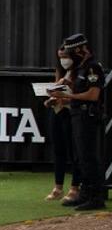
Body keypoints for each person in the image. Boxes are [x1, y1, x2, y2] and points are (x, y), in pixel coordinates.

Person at [49, 33, 106, 210]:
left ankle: (96, 197)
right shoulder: (79, 68)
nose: (68, 57)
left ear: (80, 50)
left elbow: (93, 95)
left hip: (87, 115)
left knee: (89, 157)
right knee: (81, 157)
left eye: (71, 52)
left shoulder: (92, 68)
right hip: (77, 114)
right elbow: (77, 94)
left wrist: (68, 95)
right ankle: (85, 193)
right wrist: (60, 98)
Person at [43, 47, 82, 203]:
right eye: (60, 57)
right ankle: (58, 187)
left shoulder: (80, 72)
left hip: (71, 113)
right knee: (58, 149)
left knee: (74, 151)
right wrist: (50, 101)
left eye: (65, 56)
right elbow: (55, 92)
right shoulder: (60, 72)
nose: (63, 60)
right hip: (58, 111)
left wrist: (65, 99)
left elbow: (79, 96)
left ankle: (75, 187)